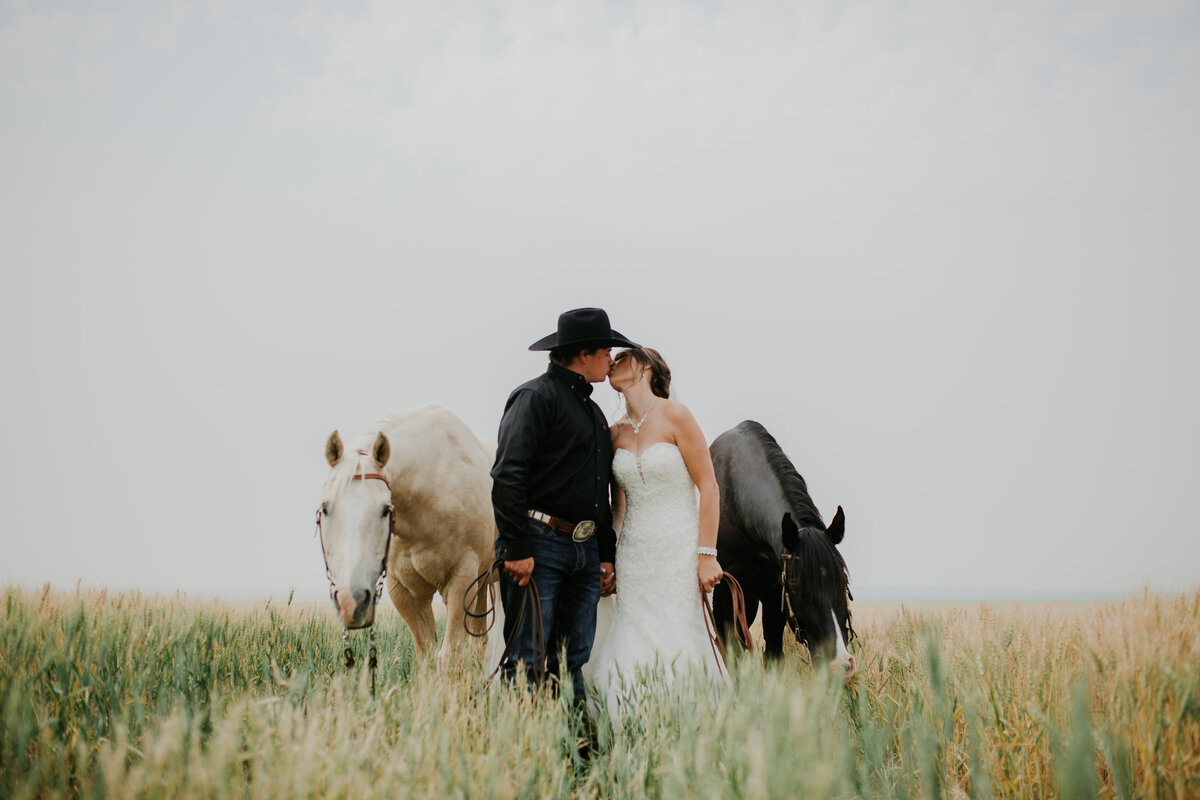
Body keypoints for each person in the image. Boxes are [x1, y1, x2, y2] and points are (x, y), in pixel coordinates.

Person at [490, 307, 639, 696]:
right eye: (606, 351)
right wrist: (516, 547)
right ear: (584, 354)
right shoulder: (534, 398)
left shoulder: (593, 413)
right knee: (526, 659)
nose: (611, 359)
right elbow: (509, 474)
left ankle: (571, 752)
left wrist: (605, 555)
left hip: (585, 554)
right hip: (538, 545)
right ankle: (521, 750)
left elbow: (599, 493)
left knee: (572, 660)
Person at [585, 346, 725, 712]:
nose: (612, 362)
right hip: (633, 553)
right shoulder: (613, 434)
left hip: (679, 548)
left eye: (623, 357)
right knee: (633, 634)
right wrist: (609, 560)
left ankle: (689, 725)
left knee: (678, 632)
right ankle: (632, 727)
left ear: (645, 367)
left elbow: (709, 487)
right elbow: (616, 508)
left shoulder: (676, 416)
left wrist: (707, 555)